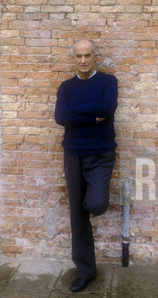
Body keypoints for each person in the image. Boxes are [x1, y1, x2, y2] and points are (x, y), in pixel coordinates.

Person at [54, 39, 118, 293]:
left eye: (87, 55)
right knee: (77, 217)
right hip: (73, 155)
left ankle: (90, 202)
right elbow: (61, 117)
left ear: (95, 56)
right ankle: (86, 270)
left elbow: (107, 106)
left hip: (101, 154)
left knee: (96, 204)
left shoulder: (108, 82)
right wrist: (93, 116)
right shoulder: (66, 87)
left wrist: (77, 113)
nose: (83, 60)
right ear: (74, 58)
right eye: (79, 56)